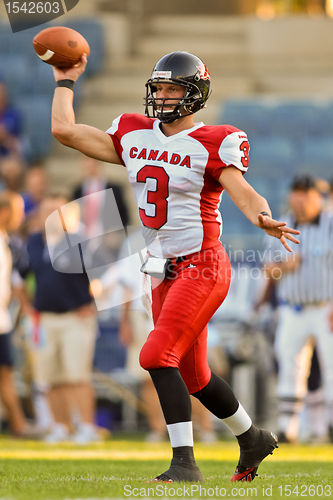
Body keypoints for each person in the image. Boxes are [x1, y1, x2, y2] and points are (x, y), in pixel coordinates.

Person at [50, 51, 299, 482]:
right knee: (195, 374)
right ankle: (252, 438)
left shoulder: (213, 141)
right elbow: (64, 131)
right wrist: (64, 80)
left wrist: (261, 216)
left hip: (202, 264)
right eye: (159, 89)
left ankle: (184, 462)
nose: (162, 98)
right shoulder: (133, 133)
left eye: (172, 89)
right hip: (161, 269)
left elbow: (243, 190)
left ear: (195, 94)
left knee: (154, 353)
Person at [264, 174, 333, 444]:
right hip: (293, 308)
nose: (300, 199)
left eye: (306, 193)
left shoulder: (330, 224)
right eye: (296, 193)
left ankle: (328, 425)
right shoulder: (281, 226)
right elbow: (268, 269)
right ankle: (287, 427)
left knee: (330, 366)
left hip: (325, 306)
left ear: (319, 197)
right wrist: (285, 267)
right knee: (290, 365)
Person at [26, 194, 99, 443]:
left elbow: (99, 278)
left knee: (77, 374)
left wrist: (91, 304)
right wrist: (27, 307)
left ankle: (87, 427)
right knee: (51, 376)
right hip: (45, 318)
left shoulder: (79, 241)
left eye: (55, 210)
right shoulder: (34, 242)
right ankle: (61, 426)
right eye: (45, 209)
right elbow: (20, 276)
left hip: (74, 317)